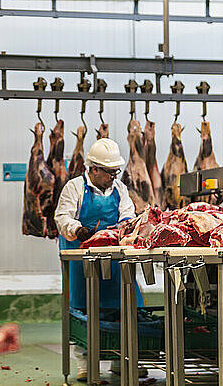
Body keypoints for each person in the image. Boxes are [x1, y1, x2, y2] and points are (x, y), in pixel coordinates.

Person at [55, 138, 145, 382]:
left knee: (123, 308)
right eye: (109, 172)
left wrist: (127, 226)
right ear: (93, 169)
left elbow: (127, 213)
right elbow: (62, 217)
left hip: (115, 260)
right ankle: (84, 363)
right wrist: (78, 230)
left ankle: (120, 360)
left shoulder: (120, 189)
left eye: (116, 172)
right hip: (81, 261)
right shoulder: (74, 188)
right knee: (84, 310)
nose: (113, 177)